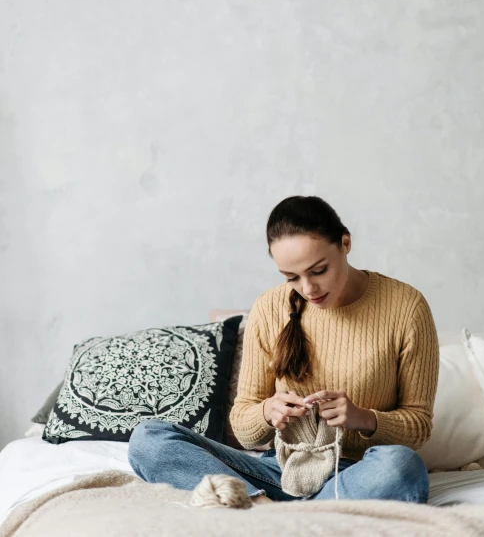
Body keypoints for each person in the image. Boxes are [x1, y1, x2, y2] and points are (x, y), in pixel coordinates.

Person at [128, 195, 439, 505]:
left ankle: (264, 514)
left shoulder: (406, 307)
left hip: (355, 476)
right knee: (148, 440)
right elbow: (245, 425)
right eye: (292, 277)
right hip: (276, 472)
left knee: (402, 467)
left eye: (318, 271)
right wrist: (267, 412)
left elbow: (419, 427)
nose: (308, 289)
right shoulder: (269, 308)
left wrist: (363, 418)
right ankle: (266, 507)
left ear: (345, 243)